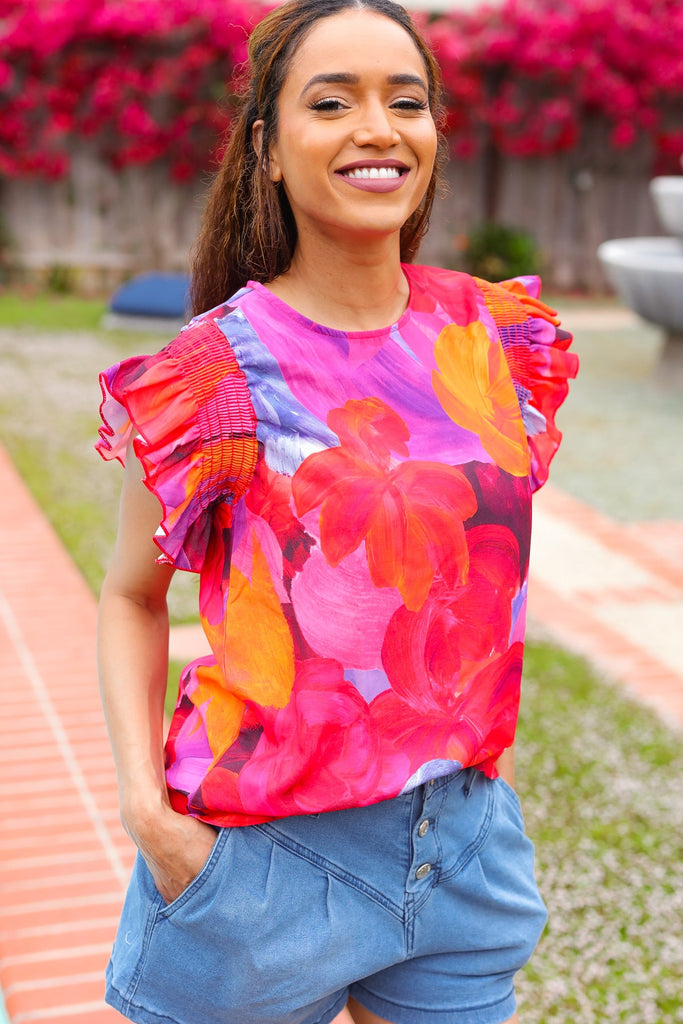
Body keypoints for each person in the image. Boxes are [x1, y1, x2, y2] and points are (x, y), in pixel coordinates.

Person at [95, 1, 578, 1022]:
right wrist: (147, 809)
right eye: (332, 100)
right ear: (267, 148)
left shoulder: (494, 336)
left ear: (433, 136)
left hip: (457, 853)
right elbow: (132, 596)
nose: (376, 126)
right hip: (262, 862)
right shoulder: (213, 370)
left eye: (405, 101)